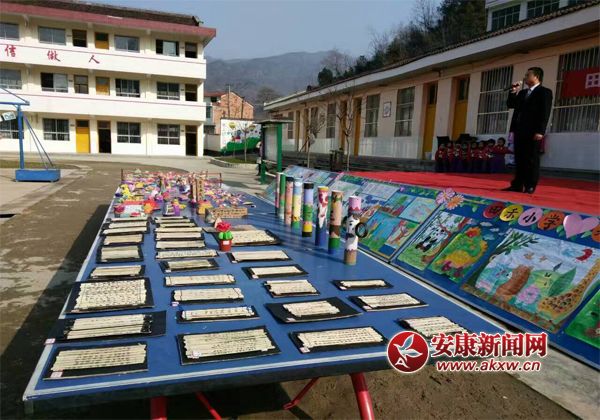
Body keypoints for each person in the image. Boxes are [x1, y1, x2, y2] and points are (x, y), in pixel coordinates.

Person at [504, 67, 553, 194]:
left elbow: (545, 112)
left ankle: (530, 185)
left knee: (531, 158)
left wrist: (540, 131)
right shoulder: (522, 93)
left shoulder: (544, 92)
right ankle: (517, 184)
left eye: (528, 75)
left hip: (533, 131)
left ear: (536, 76)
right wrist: (513, 91)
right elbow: (511, 104)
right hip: (519, 130)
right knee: (519, 158)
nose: (525, 77)